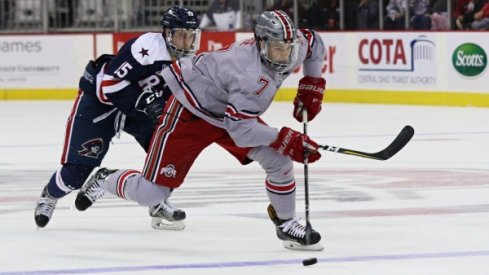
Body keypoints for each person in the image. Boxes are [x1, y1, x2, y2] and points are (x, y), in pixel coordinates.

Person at [75, 10, 327, 251]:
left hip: (230, 111)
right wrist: (283, 137)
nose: (284, 56)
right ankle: (105, 179)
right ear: (261, 43)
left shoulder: (294, 46)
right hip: (190, 110)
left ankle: (285, 224)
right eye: (276, 48)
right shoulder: (248, 74)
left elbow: (315, 41)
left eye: (287, 48)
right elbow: (240, 132)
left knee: (278, 161)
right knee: (151, 193)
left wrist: (312, 84)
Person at [33, 6, 201, 230]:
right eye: (181, 36)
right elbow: (108, 86)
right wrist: (145, 101)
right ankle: (50, 195)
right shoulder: (147, 47)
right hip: (101, 102)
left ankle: (155, 202)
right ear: (167, 33)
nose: (186, 43)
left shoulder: (189, 61)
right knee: (74, 175)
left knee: (171, 155)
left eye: (190, 36)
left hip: (138, 108)